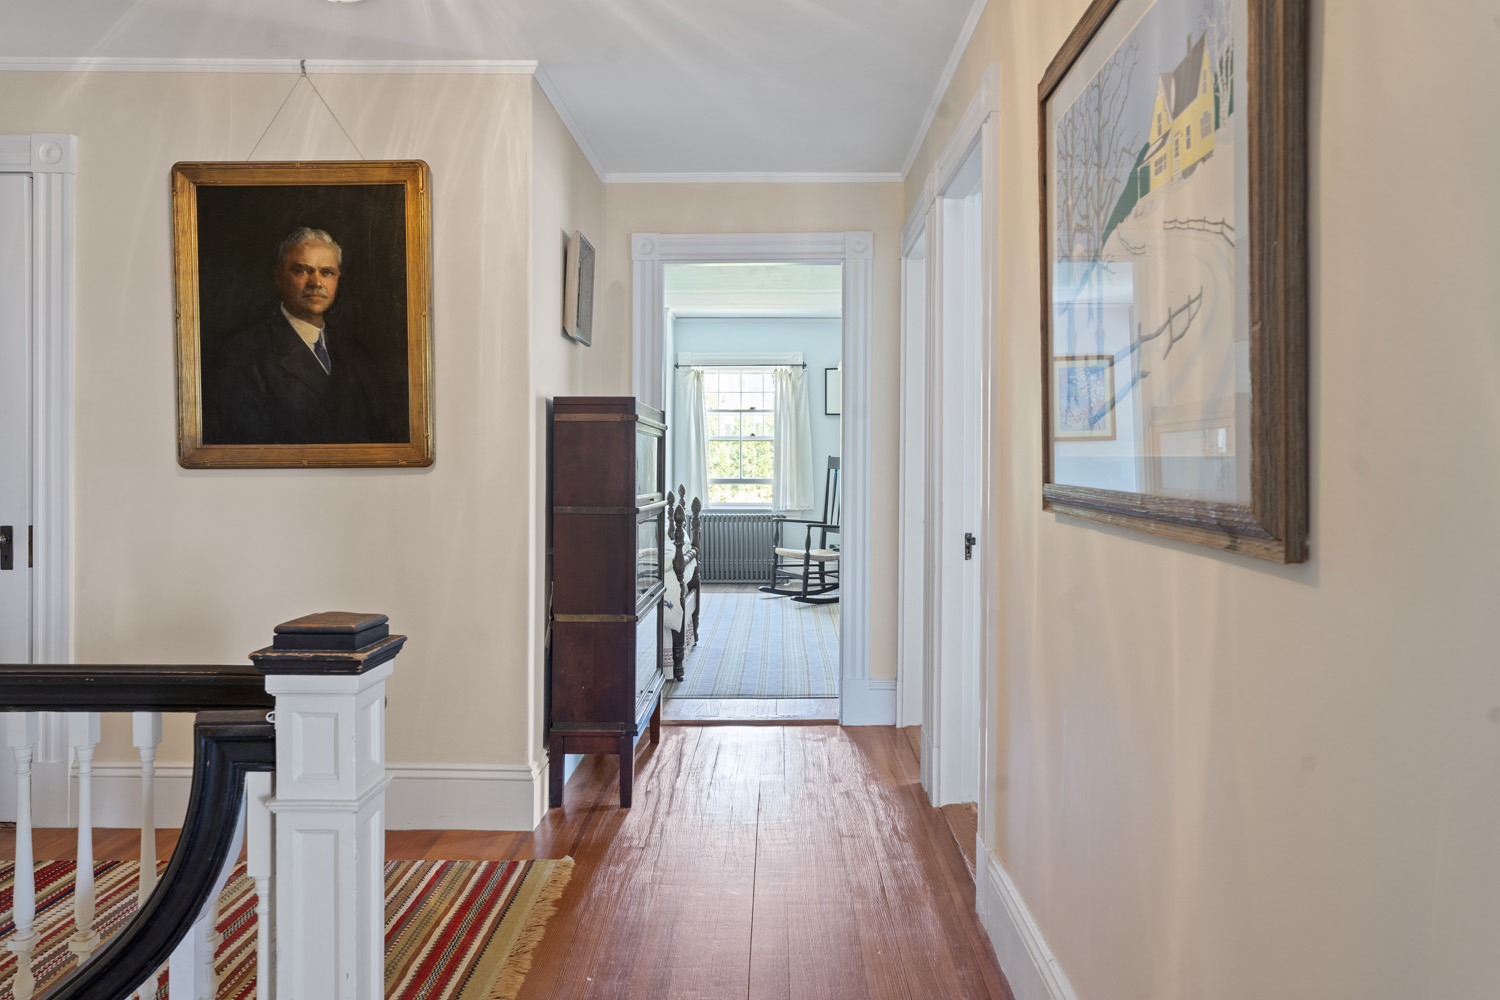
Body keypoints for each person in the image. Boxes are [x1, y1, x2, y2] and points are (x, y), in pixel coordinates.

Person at [205, 227, 404, 445]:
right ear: (278, 277)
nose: (316, 283)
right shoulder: (244, 354)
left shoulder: (355, 353)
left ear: (338, 278)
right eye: (302, 270)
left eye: (327, 272)